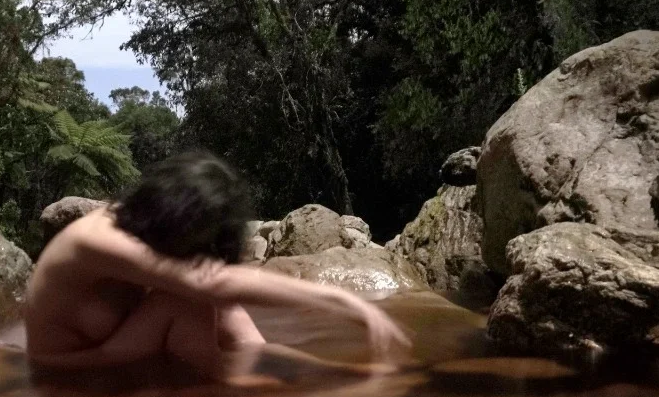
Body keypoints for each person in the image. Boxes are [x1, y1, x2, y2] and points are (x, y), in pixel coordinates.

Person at [24, 151, 412, 380]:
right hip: (65, 368)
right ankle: (224, 392)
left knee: (215, 302)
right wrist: (349, 303)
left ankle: (308, 368)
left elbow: (217, 281)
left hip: (110, 350)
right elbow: (213, 283)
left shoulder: (141, 227)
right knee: (191, 299)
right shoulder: (101, 240)